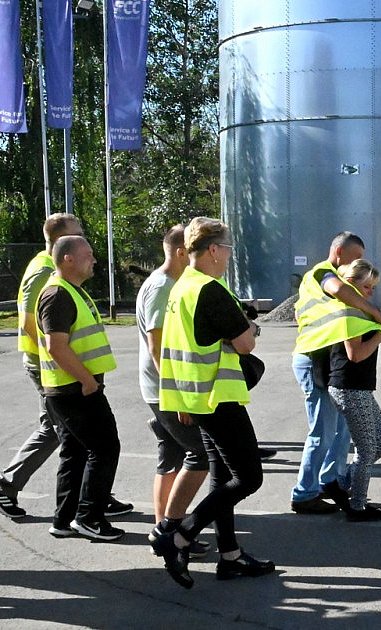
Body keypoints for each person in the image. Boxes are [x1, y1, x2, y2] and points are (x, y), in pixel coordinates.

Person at [151, 217, 273, 589]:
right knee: (249, 477)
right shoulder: (210, 289)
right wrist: (249, 329)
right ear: (216, 250)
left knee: (221, 476)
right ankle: (180, 535)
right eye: (229, 249)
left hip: (193, 397)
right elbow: (245, 343)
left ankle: (230, 555)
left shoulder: (182, 287)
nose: (230, 257)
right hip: (217, 397)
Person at [1, 214, 131, 520]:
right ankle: (8, 484)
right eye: (79, 234)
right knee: (65, 430)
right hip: (52, 367)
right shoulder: (45, 270)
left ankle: (93, 494)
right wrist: (56, 361)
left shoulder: (51, 267)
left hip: (62, 366)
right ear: (62, 241)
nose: (86, 240)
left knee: (72, 433)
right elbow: (31, 322)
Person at [291, 232, 381, 514]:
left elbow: (302, 314)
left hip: (321, 359)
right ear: (338, 254)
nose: (358, 264)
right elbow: (337, 289)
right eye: (356, 257)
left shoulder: (320, 286)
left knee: (339, 430)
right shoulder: (324, 273)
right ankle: (304, 494)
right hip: (312, 358)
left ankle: (329, 481)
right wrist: (374, 312)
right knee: (322, 431)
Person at [37, 235, 124, 541]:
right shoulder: (57, 294)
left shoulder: (71, 291)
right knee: (105, 448)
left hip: (73, 389)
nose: (94, 260)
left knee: (74, 452)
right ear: (68, 259)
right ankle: (89, 517)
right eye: (87, 255)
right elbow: (55, 346)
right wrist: (87, 380)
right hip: (75, 390)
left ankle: (64, 519)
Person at [136, 225, 209, 557]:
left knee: (172, 455)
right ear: (182, 252)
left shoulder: (168, 283)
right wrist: (177, 394)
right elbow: (157, 345)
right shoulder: (163, 286)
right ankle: (172, 529)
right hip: (164, 390)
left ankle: (162, 526)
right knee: (201, 455)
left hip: (162, 388)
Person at [323, 260, 381, 521]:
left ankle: (341, 484)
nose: (371, 293)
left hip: (359, 387)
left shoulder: (358, 311)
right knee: (367, 449)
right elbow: (355, 355)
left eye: (373, 287)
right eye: (367, 287)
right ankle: (357, 505)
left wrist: (377, 326)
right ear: (351, 284)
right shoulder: (348, 312)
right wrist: (379, 335)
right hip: (349, 387)